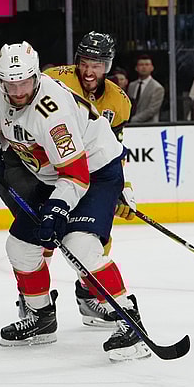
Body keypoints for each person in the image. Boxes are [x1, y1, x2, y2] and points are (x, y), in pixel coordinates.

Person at [0, 41, 149, 362]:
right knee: (20, 248)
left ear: (36, 75)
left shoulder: (52, 110)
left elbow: (77, 174)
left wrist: (57, 208)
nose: (18, 90)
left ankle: (129, 321)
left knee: (80, 245)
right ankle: (41, 318)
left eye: (24, 82)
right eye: (10, 83)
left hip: (94, 173)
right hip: (52, 176)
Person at [43, 32, 135, 327]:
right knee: (41, 239)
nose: (89, 71)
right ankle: (36, 307)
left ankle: (89, 297)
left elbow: (113, 147)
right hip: (51, 171)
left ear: (108, 65)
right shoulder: (53, 80)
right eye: (84, 62)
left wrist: (124, 186)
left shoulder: (118, 101)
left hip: (93, 173)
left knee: (94, 240)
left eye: (97, 64)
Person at [129, 54, 165, 123]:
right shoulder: (132, 86)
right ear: (136, 68)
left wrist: (132, 119)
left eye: (147, 64)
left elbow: (152, 110)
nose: (144, 67)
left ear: (152, 68)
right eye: (141, 65)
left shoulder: (157, 88)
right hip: (131, 127)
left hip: (149, 126)